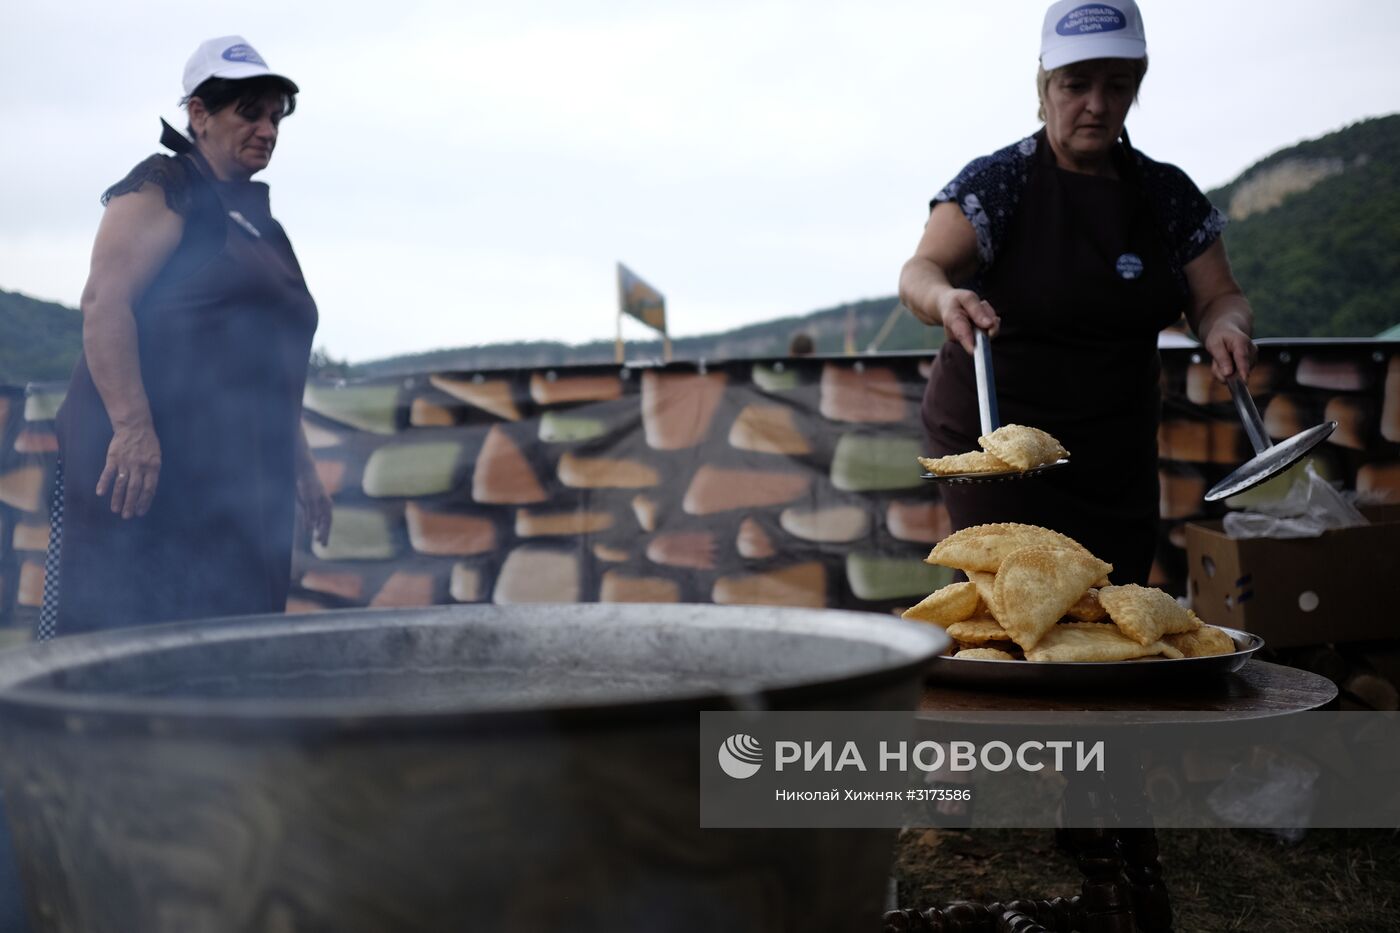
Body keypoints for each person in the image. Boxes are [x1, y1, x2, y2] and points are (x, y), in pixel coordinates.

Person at [898, 0, 1255, 585]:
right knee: (1012, 604)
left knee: (1112, 609)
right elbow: (921, 270)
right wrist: (943, 299)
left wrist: (1225, 326)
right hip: (998, 448)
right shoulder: (999, 182)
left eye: (1117, 85)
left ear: (1136, 87)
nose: (1096, 104)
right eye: (1076, 84)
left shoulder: (1167, 195)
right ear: (1045, 87)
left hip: (1114, 450)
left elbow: (1220, 297)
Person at [44, 36, 332, 638]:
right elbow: (104, 303)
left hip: (243, 475)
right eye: (248, 113)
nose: (267, 130)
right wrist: (132, 427)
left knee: (237, 645)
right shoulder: (163, 188)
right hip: (157, 473)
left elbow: (262, 360)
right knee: (143, 640)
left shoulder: (260, 223)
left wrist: (300, 462)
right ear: (198, 115)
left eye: (276, 117)